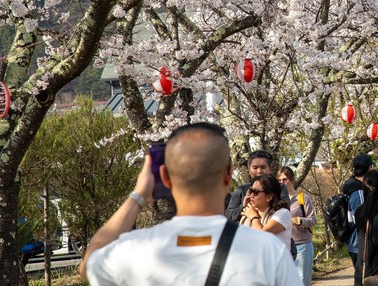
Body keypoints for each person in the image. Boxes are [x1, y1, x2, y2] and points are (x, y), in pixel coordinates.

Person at [80, 122, 300, 286]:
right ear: (229, 174)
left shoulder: (134, 250)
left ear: (165, 177)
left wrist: (138, 196)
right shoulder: (267, 251)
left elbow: (88, 265)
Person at [226, 149, 289, 222]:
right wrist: (243, 206)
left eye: (263, 167)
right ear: (249, 171)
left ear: (270, 169)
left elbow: (285, 210)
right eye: (255, 168)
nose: (259, 171)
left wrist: (256, 213)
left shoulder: (279, 187)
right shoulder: (241, 190)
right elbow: (229, 216)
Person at [279, 166, 316, 286]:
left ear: (292, 179)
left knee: (302, 281)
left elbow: (313, 220)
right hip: (285, 247)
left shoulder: (302, 198)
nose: (282, 183)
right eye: (279, 180)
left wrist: (299, 221)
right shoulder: (278, 201)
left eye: (285, 179)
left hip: (302, 245)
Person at [240, 174, 293, 248]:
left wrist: (254, 218)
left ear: (269, 197)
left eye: (255, 192)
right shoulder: (249, 214)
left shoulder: (283, 213)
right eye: (251, 191)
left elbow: (262, 236)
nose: (251, 195)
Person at [344, 153, 372, 271]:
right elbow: (361, 219)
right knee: (363, 278)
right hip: (359, 241)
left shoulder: (350, 186)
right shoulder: (358, 191)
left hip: (354, 240)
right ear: (369, 168)